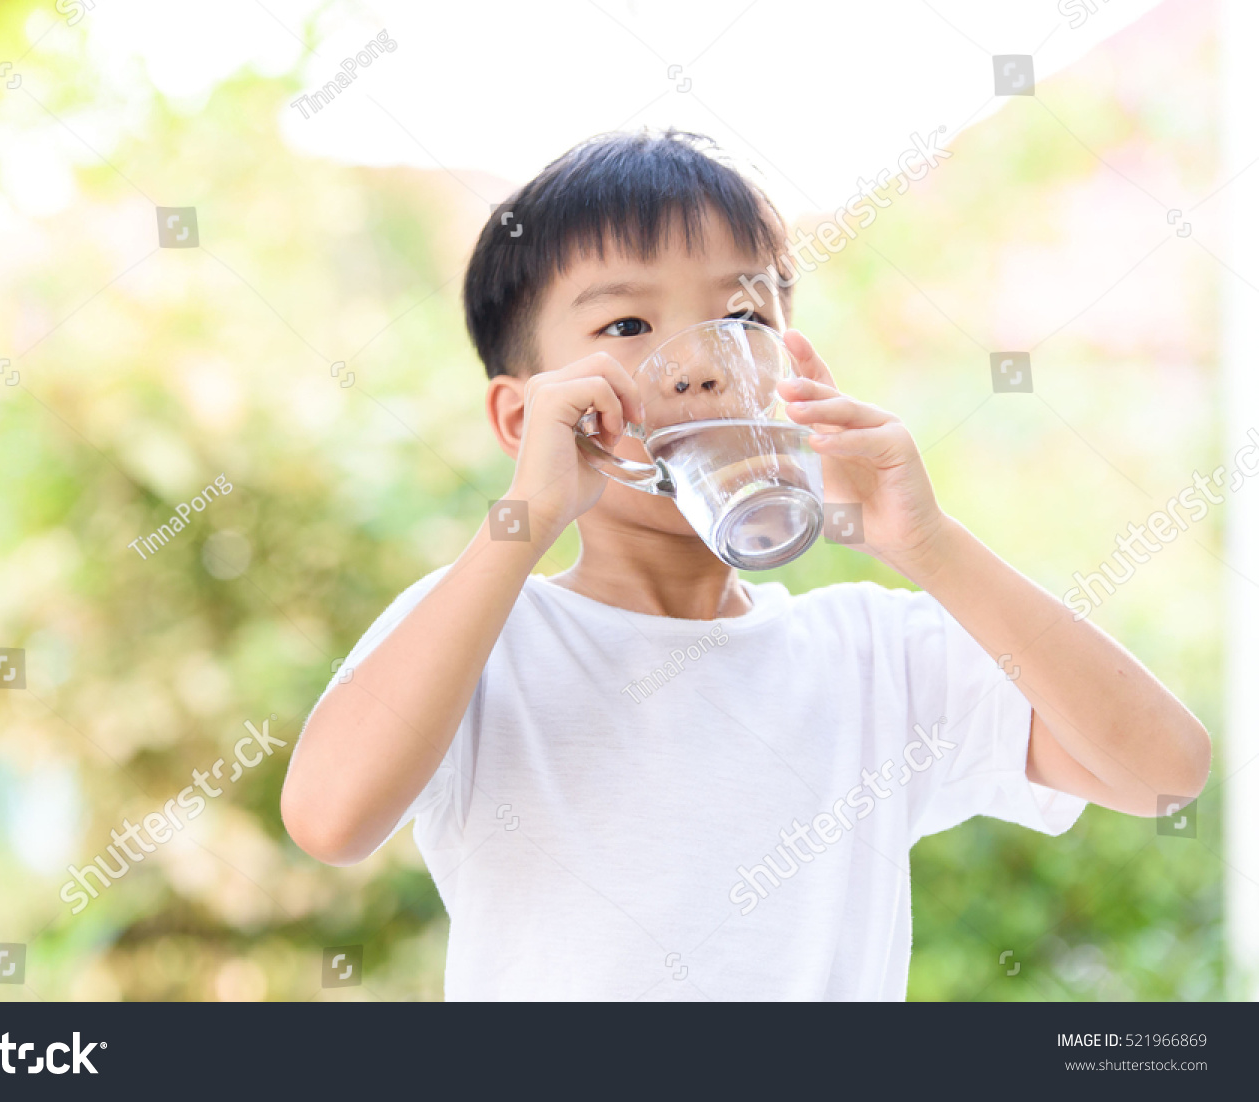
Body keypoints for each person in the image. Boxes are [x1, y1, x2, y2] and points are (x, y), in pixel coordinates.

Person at [280, 129, 1210, 1000]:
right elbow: (330, 819)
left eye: (741, 316)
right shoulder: (480, 634)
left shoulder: (873, 652)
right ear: (526, 420)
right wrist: (521, 522)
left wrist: (928, 544)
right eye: (628, 327)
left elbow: (1164, 772)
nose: (699, 368)